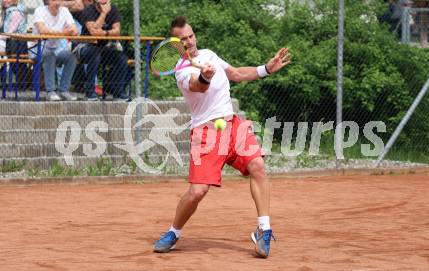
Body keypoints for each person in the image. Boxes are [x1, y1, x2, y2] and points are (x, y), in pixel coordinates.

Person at [152, 16, 290, 258]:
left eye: (191, 36)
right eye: (183, 39)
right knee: (197, 192)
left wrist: (266, 69)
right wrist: (205, 76)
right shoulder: (181, 71)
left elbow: (236, 74)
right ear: (176, 44)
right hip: (205, 133)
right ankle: (174, 232)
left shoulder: (210, 54)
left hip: (232, 125)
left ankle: (264, 229)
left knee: (258, 165)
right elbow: (199, 86)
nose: (189, 41)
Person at [74, 0, 130, 101]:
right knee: (95, 54)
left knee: (121, 58)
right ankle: (90, 92)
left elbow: (117, 32)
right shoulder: (88, 10)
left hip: (104, 48)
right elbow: (93, 32)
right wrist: (104, 13)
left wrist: (104, 33)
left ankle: (118, 92)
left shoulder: (113, 10)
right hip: (85, 47)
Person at [33, 0, 78, 101]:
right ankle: (51, 92)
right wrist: (64, 32)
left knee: (71, 57)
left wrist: (61, 32)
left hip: (55, 50)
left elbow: (74, 31)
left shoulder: (65, 11)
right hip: (37, 50)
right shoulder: (39, 11)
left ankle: (63, 90)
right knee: (49, 55)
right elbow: (43, 31)